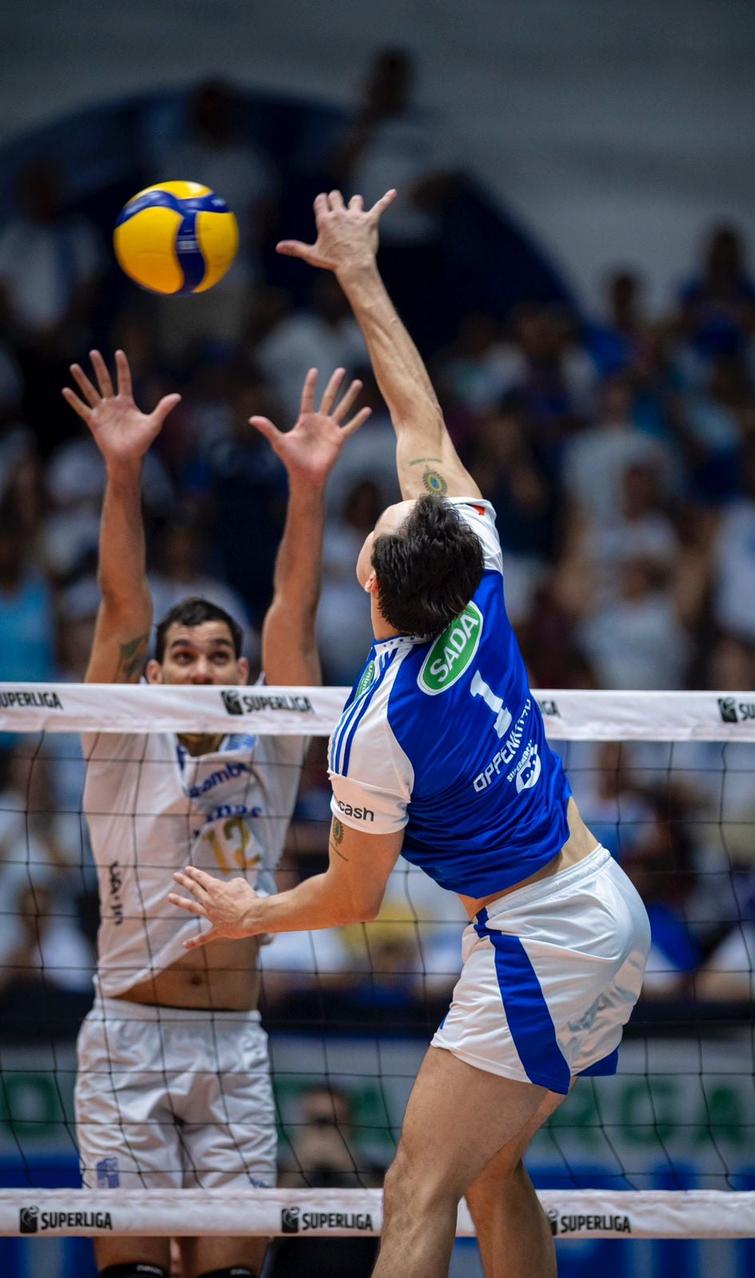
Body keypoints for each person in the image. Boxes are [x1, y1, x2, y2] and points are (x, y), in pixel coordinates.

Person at [170, 191, 650, 1278]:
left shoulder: (377, 723)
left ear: (371, 584)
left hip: (543, 938)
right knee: (488, 1175)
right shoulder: (474, 575)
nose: (391, 503)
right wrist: (360, 272)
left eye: (380, 520)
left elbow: (351, 900)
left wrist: (250, 912)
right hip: (594, 903)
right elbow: (419, 419)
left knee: (413, 1188)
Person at [62, 349, 369, 1278]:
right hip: (125, 1035)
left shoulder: (270, 745)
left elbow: (296, 605)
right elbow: (123, 604)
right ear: (152, 677)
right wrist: (123, 472)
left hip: (233, 1041)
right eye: (183, 657)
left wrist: (308, 488)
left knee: (234, 1274)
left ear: (244, 676)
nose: (200, 670)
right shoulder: (117, 735)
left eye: (219, 656)